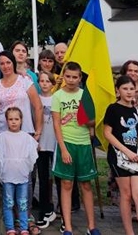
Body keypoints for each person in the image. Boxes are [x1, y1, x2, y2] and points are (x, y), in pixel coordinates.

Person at [51, 61, 99, 235]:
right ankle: (68, 227)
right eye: (68, 76)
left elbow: (93, 121)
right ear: (63, 77)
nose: (71, 80)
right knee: (66, 184)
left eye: (75, 77)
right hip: (67, 143)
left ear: (80, 78)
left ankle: (92, 226)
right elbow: (56, 124)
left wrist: (87, 121)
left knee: (86, 184)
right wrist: (63, 148)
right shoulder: (57, 96)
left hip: (84, 144)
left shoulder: (85, 95)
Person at [103, 75, 138, 235]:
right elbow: (107, 133)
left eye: (132, 89)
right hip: (119, 157)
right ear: (118, 90)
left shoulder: (137, 110)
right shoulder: (113, 109)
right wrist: (126, 151)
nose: (129, 92)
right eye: (125, 89)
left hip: (136, 157)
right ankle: (129, 232)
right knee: (126, 194)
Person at [0, 107, 39, 235]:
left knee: (23, 203)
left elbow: (34, 152)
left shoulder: (26, 138)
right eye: (10, 119)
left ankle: (24, 227)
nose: (14, 122)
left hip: (23, 176)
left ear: (21, 120)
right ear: (6, 121)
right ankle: (10, 228)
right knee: (8, 202)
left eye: (16, 119)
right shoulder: (2, 137)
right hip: (8, 176)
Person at [0, 52, 43, 139]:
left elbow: (38, 106)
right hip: (2, 132)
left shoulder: (25, 80)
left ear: (13, 63)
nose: (6, 66)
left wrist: (38, 131)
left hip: (25, 131)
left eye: (8, 62)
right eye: (2, 64)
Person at [34, 72, 57, 229]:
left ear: (53, 83)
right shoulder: (35, 99)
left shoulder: (57, 99)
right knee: (42, 178)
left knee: (58, 179)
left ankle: (58, 209)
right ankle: (44, 209)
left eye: (47, 81)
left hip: (56, 144)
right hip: (40, 145)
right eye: (41, 81)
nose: (44, 83)